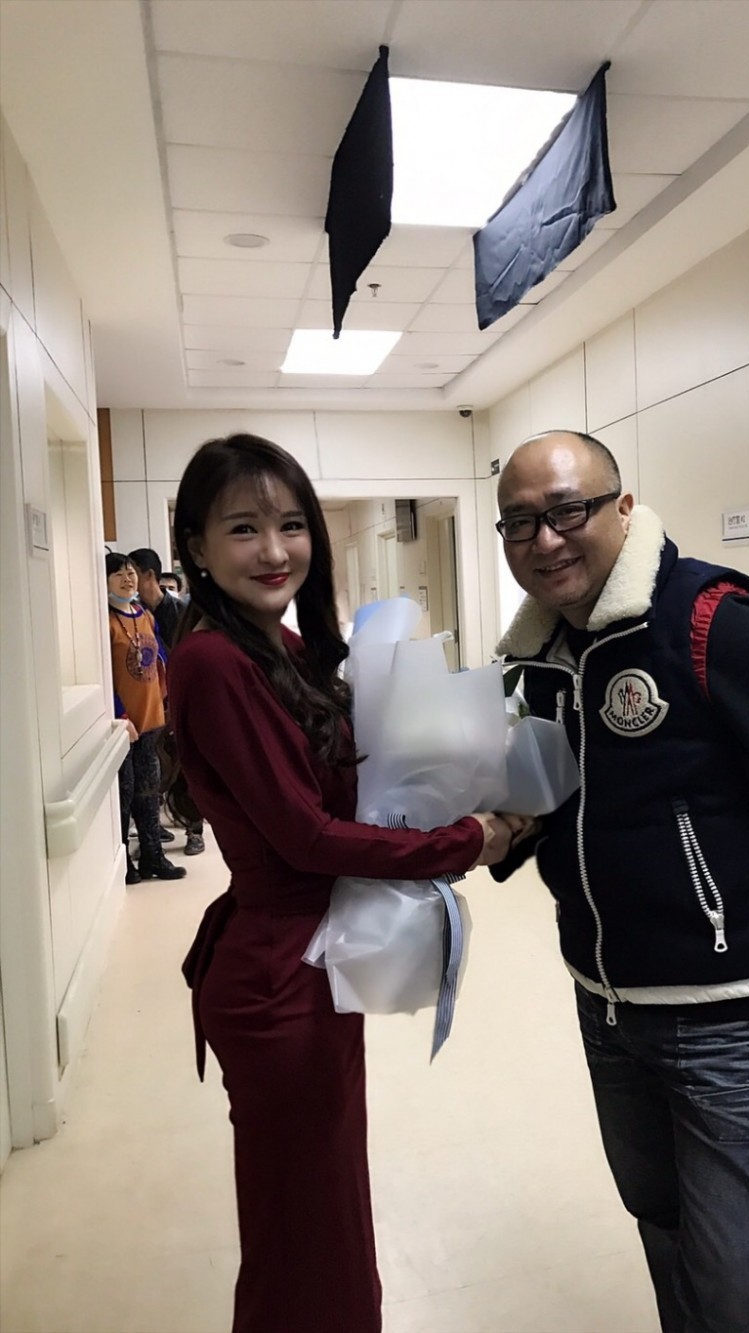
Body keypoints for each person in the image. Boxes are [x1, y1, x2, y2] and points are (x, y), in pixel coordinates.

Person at [491, 430, 749, 1333]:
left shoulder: (713, 621)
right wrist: (494, 829)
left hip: (730, 1013)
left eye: (568, 511)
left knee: (734, 1276)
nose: (546, 540)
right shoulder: (539, 658)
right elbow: (567, 801)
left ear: (623, 509)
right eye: (521, 523)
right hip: (607, 1005)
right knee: (661, 1225)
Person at [166, 432, 513, 1333]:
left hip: (310, 958)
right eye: (243, 528)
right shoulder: (214, 660)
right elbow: (306, 836)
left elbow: (344, 786)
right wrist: (464, 839)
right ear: (196, 545)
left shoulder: (276, 643)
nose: (274, 549)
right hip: (276, 973)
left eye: (290, 524)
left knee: (320, 1210)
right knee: (302, 1225)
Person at [105, 553, 187, 884]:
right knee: (125, 795)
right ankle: (124, 859)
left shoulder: (147, 616)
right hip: (124, 725)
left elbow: (162, 660)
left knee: (149, 792)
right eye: (118, 574)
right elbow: (103, 676)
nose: (127, 579)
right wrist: (119, 713)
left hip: (152, 720)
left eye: (130, 573)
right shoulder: (105, 622)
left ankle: (153, 855)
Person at [129, 546, 205, 855]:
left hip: (182, 701)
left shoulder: (180, 611)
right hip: (151, 703)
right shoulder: (134, 613)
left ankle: (194, 831)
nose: (128, 579)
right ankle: (153, 832)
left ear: (149, 575)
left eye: (133, 572)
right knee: (153, 770)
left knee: (188, 768)